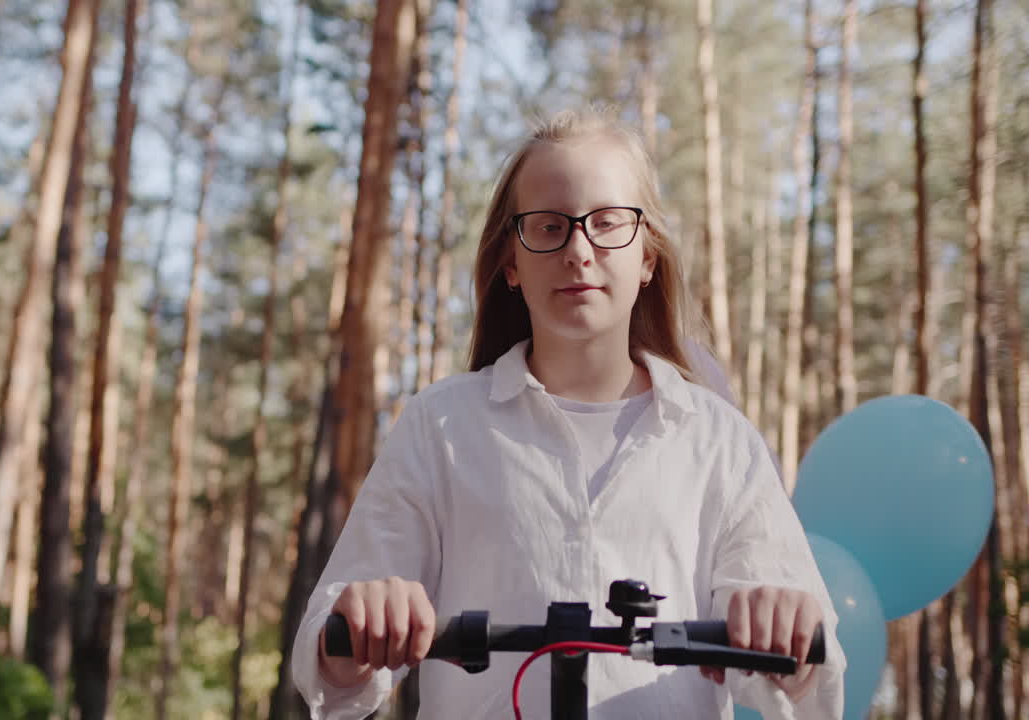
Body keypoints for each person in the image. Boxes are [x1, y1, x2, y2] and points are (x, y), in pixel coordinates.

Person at [291, 105, 845, 719]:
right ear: (510, 262)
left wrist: (785, 625)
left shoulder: (718, 442)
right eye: (549, 227)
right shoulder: (441, 426)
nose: (579, 250)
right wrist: (362, 618)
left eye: (608, 223)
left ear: (648, 258)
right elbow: (329, 664)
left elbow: (812, 679)